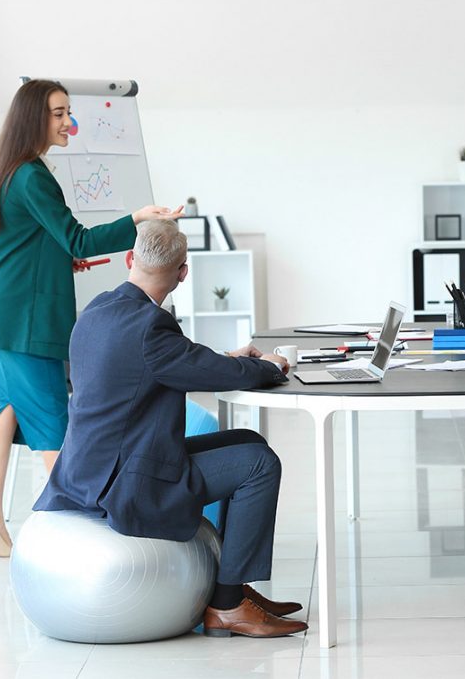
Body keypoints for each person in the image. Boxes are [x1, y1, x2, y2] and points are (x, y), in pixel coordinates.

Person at [34, 220, 308, 638]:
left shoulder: (98, 310)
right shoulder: (151, 326)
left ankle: (234, 587)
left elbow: (170, 362)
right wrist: (268, 367)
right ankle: (229, 606)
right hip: (126, 483)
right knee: (260, 463)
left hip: (89, 471)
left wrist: (229, 358)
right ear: (183, 273)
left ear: (130, 259)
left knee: (249, 442)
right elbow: (195, 364)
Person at [0, 79, 182, 558]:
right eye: (60, 113)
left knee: (6, 408)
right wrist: (138, 219)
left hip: (1, 313)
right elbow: (79, 238)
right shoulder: (30, 175)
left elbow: (26, 241)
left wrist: (59, 259)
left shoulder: (10, 171)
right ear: (34, 119)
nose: (70, 122)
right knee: (51, 423)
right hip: (24, 320)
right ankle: (84, 531)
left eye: (68, 111)